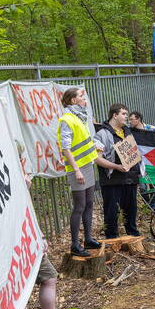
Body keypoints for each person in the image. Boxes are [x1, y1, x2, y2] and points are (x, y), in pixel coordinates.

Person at [14, 145, 80, 309]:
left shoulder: (20, 178)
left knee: (48, 277)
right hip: (11, 244)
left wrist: (39, 234)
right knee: (16, 291)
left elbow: (27, 211)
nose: (23, 162)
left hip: (28, 237)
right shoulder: (5, 180)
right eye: (20, 158)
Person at [57, 88, 126, 256]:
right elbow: (66, 148)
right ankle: (75, 245)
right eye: (81, 96)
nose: (85, 99)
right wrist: (76, 170)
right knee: (79, 206)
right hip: (78, 169)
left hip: (87, 165)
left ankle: (88, 239)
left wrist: (94, 146)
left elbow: (81, 141)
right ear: (73, 101)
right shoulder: (67, 119)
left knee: (89, 203)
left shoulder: (79, 117)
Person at [94, 104, 143, 239]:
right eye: (124, 114)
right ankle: (112, 239)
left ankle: (133, 237)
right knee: (111, 212)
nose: (126, 117)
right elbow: (97, 159)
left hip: (130, 178)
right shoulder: (101, 134)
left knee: (131, 210)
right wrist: (116, 167)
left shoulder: (127, 131)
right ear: (115, 115)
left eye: (127, 114)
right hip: (112, 181)